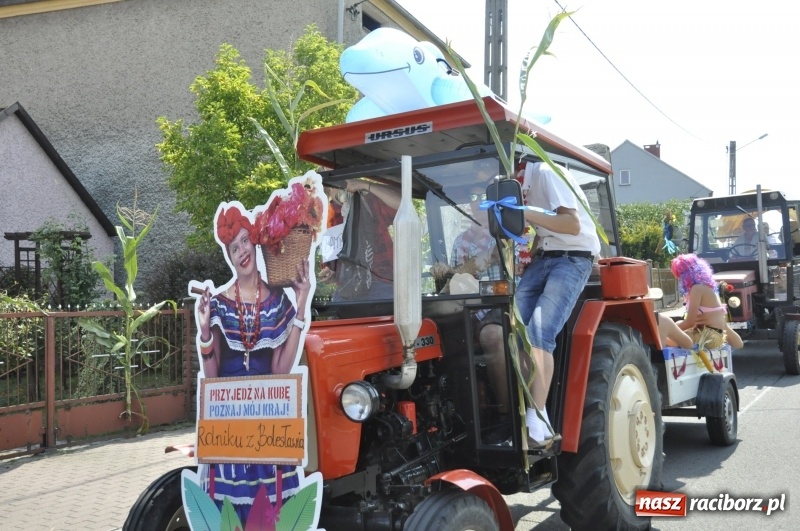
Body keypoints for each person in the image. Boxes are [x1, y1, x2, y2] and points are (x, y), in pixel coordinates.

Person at [195, 204, 311, 523]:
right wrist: (205, 331)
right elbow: (212, 377)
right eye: (234, 248)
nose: (242, 251)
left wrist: (301, 304)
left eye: (245, 241)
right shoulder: (219, 305)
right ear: (229, 257)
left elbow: (281, 371)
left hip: (267, 426)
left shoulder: (277, 301)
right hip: (229, 427)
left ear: (255, 243)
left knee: (270, 517)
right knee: (231, 518)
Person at [516, 161, 601, 448]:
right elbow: (545, 230)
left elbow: (570, 225)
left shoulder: (545, 172)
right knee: (514, 330)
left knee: (539, 332)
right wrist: (529, 256)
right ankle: (535, 419)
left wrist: (522, 212)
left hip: (572, 257)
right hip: (545, 257)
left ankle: (537, 418)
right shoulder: (523, 184)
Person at [320, 179, 401, 301]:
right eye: (334, 184)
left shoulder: (369, 201)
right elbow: (331, 267)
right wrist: (330, 275)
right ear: (328, 190)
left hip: (382, 281)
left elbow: (403, 205)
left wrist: (364, 185)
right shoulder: (327, 217)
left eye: (342, 181)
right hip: (349, 286)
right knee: (336, 308)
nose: (340, 187)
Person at [670, 253, 744, 350]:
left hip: (708, 336)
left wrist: (670, 332)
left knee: (669, 339)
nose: (679, 279)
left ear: (686, 274)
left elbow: (690, 322)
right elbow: (737, 342)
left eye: (680, 275)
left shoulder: (697, 289)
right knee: (678, 324)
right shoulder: (709, 288)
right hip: (715, 335)